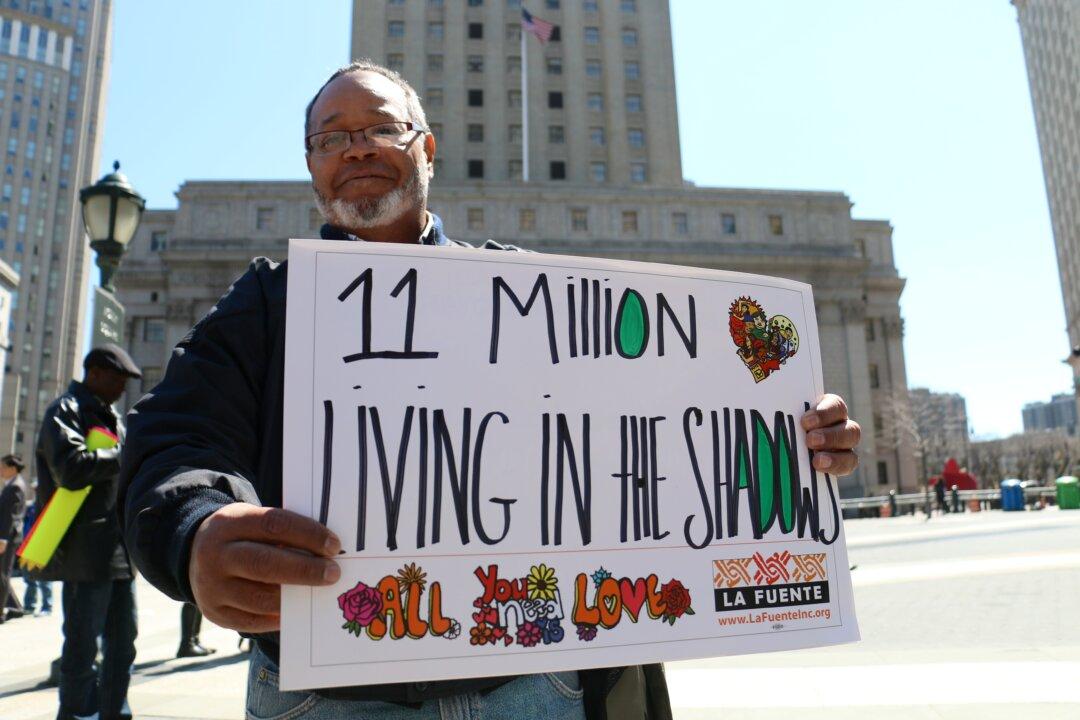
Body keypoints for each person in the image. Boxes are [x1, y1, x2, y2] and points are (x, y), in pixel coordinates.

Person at [119, 60, 863, 720]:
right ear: (313, 168)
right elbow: (175, 437)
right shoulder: (267, 303)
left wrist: (796, 433)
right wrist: (195, 527)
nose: (356, 147)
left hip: (531, 687)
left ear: (426, 148)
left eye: (380, 127)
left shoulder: (527, 291)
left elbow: (668, 422)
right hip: (326, 699)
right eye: (330, 137)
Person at [36, 344, 142, 720]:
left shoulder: (114, 417)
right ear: (94, 372)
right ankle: (74, 713)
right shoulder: (65, 411)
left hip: (118, 550)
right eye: (117, 378)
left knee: (123, 644)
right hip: (85, 551)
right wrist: (122, 454)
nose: (123, 387)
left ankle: (115, 712)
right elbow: (70, 468)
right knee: (82, 647)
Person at [0, 453, 28, 622]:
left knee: (3, 574)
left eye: (3, 467)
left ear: (12, 468)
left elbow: (11, 516)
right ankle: (16, 607)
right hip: (7, 537)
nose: (0, 470)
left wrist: (3, 539)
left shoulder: (15, 486)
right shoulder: (11, 484)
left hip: (8, 538)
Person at [21, 488, 55, 616]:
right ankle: (29, 605)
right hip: (27, 546)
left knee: (44, 579)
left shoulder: (48, 507)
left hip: (42, 545)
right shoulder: (30, 508)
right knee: (29, 578)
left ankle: (47, 606)